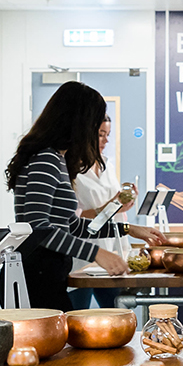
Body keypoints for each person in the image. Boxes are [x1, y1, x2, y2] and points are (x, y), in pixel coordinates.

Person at [4, 81, 160, 310]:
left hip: (50, 273)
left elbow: (72, 225)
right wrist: (96, 253)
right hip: (33, 276)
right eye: (94, 125)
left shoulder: (57, 160)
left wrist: (127, 229)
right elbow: (38, 228)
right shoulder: (45, 159)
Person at [68, 115, 134, 310]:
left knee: (119, 314)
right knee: (77, 317)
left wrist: (122, 205)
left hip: (111, 247)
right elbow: (72, 219)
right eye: (100, 135)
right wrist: (105, 208)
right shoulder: (71, 169)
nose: (106, 140)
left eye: (108, 135)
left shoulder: (107, 165)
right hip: (82, 254)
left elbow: (111, 206)